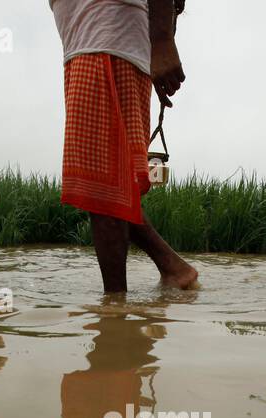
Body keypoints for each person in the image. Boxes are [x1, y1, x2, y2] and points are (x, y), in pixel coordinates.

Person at [50, 0, 198, 294]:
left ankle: (116, 317)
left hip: (105, 41)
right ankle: (172, 269)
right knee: (108, 185)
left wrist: (162, 41)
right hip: (91, 43)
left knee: (102, 188)